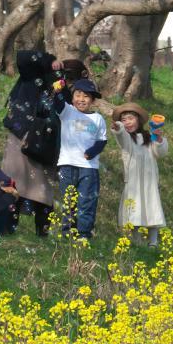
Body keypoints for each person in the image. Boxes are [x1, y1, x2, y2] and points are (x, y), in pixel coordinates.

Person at [2, 50, 68, 236]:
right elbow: (22, 57)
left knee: (43, 191)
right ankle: (9, 229)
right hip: (21, 135)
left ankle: (42, 234)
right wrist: (50, 59)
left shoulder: (60, 85)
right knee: (14, 184)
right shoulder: (32, 75)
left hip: (44, 145)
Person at [53, 77, 108, 240]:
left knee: (87, 201)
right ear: (72, 97)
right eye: (78, 95)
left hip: (89, 167)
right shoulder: (68, 112)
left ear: (92, 100)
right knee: (68, 201)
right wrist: (57, 92)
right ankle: (67, 231)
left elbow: (102, 140)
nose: (81, 99)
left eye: (86, 96)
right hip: (67, 165)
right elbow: (58, 104)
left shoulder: (98, 119)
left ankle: (84, 233)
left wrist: (92, 151)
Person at [110, 103, 168, 247]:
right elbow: (122, 137)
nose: (127, 122)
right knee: (133, 210)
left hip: (150, 181)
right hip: (133, 181)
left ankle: (153, 242)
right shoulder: (127, 140)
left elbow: (160, 152)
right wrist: (118, 128)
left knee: (152, 207)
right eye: (124, 120)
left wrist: (159, 139)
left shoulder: (150, 136)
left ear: (139, 120)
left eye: (131, 118)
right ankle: (136, 241)